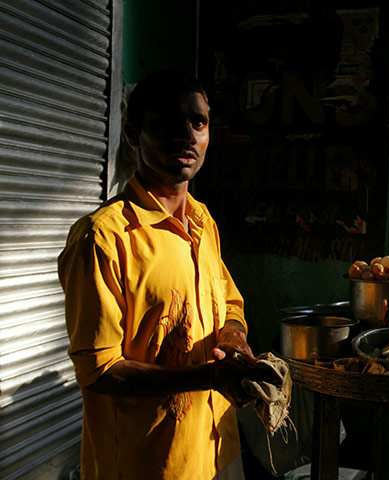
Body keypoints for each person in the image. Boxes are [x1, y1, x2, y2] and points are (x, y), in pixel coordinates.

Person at [58, 70, 273, 479]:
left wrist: (234, 338)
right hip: (148, 465)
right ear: (134, 136)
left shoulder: (201, 220)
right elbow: (99, 370)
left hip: (217, 448)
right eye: (166, 124)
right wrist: (210, 376)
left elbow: (228, 302)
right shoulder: (102, 238)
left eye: (198, 123)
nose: (187, 135)